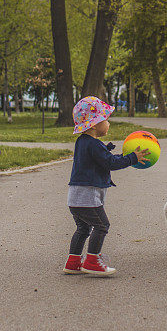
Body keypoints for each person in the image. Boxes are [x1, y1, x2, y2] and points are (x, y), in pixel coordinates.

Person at [63, 96, 149, 276]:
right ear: (94, 125)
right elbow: (110, 163)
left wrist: (109, 151)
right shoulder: (94, 145)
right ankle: (92, 261)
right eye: (106, 120)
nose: (108, 123)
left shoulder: (83, 142)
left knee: (83, 228)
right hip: (88, 198)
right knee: (102, 225)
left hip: (75, 198)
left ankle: (73, 262)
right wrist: (133, 158)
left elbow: (103, 160)